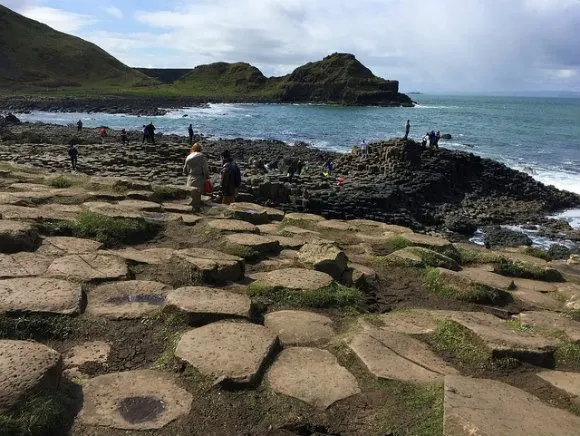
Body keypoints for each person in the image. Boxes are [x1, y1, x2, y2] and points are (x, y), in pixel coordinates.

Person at [183, 142, 209, 212]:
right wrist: (207, 177)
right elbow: (205, 169)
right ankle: (197, 210)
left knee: (190, 195)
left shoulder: (188, 157)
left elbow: (185, 170)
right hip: (199, 178)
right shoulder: (202, 157)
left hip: (190, 177)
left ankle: (189, 210)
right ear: (200, 149)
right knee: (198, 196)